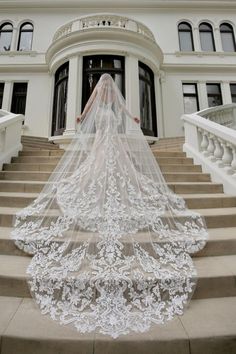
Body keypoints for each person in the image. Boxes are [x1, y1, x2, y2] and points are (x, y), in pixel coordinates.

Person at [11, 73, 208, 338]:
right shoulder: (98, 103)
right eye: (104, 88)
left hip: (114, 144)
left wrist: (133, 117)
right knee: (95, 171)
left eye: (107, 88)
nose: (105, 90)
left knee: (121, 174)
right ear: (100, 89)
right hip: (101, 144)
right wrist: (80, 116)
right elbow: (89, 106)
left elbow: (124, 108)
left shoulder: (115, 104)